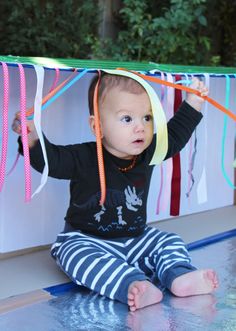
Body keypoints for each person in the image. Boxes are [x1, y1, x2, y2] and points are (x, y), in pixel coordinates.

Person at [12, 72, 219, 312]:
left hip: (136, 238)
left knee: (168, 241)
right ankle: (131, 284)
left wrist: (194, 102)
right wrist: (32, 136)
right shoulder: (84, 156)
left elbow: (175, 135)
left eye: (147, 117)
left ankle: (179, 276)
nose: (140, 127)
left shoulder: (148, 153)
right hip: (87, 240)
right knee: (73, 254)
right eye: (127, 119)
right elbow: (53, 161)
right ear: (96, 126)